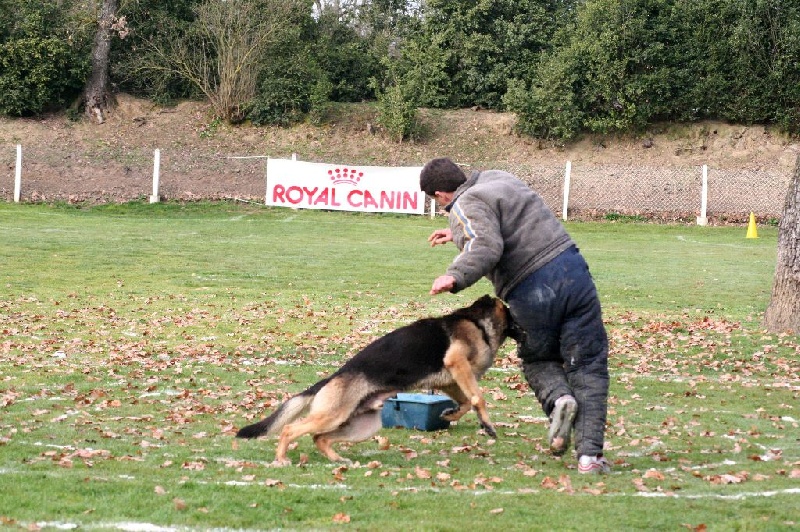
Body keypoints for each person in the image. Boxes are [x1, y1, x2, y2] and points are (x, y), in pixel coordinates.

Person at [420, 157, 610, 474]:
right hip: (574, 272)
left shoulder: (463, 205)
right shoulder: (498, 178)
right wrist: (458, 235)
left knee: (538, 358)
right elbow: (510, 225)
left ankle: (559, 399)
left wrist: (456, 276)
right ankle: (590, 457)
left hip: (533, 287)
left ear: (440, 194)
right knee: (589, 365)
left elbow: (487, 244)